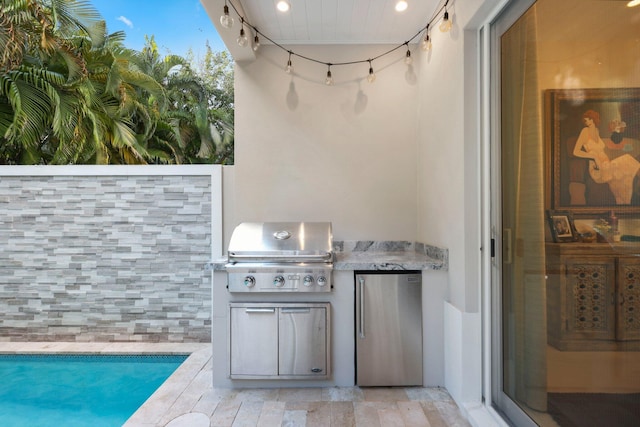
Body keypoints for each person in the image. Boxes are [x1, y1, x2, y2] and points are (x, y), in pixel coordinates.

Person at [572, 110, 640, 205]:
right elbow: (576, 152)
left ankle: (624, 201)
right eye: (586, 120)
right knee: (627, 159)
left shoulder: (596, 131)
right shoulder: (584, 131)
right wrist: (593, 156)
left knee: (626, 169)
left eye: (589, 119)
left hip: (606, 164)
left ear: (594, 119)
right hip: (597, 169)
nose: (587, 122)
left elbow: (602, 149)